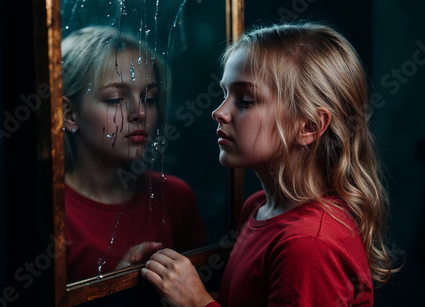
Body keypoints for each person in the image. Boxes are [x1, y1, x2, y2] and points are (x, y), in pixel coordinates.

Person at [141, 21, 397, 306]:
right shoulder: (256, 207)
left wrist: (196, 302)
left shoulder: (308, 245)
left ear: (308, 126)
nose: (218, 112)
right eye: (225, 94)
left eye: (246, 100)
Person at [62, 25, 208, 283]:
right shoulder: (53, 213)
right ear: (70, 114)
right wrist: (112, 290)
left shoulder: (175, 198)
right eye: (116, 99)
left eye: (149, 98)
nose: (139, 113)